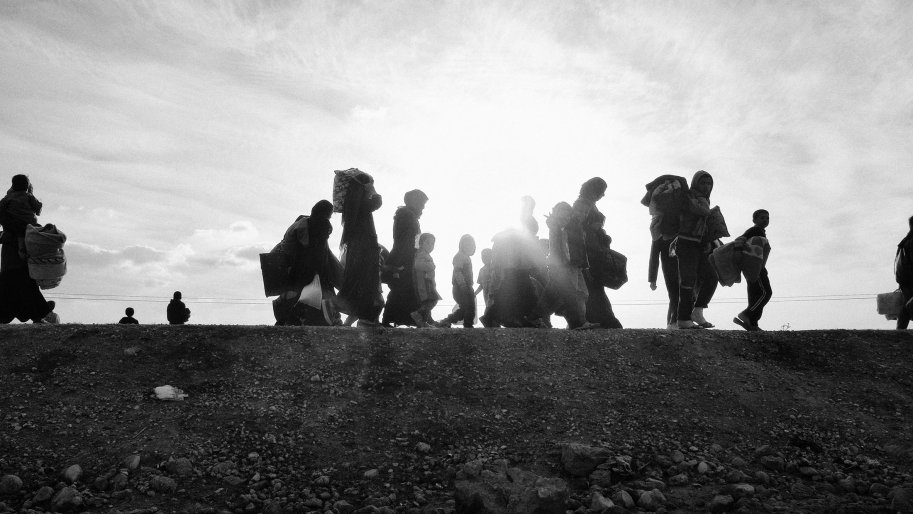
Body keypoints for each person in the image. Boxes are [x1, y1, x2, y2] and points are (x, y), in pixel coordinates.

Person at [269, 200, 342, 325]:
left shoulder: (299, 224)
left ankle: (286, 320)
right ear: (325, 213)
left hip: (296, 269)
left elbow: (289, 247)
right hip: (313, 269)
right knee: (320, 298)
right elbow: (319, 250)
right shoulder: (321, 223)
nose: (330, 217)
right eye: (330, 214)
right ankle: (331, 321)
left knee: (295, 296)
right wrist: (322, 272)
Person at [0, 175, 51, 324]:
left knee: (14, 282)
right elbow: (38, 209)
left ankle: (36, 316)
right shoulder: (27, 198)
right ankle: (36, 316)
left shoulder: (7, 202)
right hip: (19, 248)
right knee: (23, 282)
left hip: (12, 250)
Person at [572, 177, 622, 329]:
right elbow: (577, 228)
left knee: (593, 288)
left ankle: (599, 318)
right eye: (601, 192)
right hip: (589, 253)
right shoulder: (582, 204)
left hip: (593, 252)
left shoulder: (588, 204)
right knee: (592, 288)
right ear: (594, 190)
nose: (603, 195)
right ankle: (602, 319)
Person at [337, 171, 384, 326]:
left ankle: (355, 319)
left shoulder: (351, 206)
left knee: (358, 282)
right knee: (366, 283)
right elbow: (377, 202)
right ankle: (364, 319)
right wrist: (372, 190)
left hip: (358, 248)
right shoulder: (361, 205)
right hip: (365, 248)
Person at [674, 170, 718, 329]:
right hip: (686, 244)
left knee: (711, 277)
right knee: (688, 281)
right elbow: (701, 212)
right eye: (703, 183)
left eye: (709, 183)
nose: (706, 186)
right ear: (695, 183)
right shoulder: (688, 197)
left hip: (699, 246)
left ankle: (697, 312)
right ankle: (683, 319)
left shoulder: (703, 199)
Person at [536, 202, 587, 329]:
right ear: (556, 216)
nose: (565, 220)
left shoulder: (560, 229)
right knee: (570, 295)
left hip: (559, 267)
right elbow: (557, 251)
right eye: (561, 218)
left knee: (551, 296)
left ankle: (534, 317)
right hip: (558, 267)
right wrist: (562, 265)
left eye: (567, 218)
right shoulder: (555, 229)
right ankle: (577, 323)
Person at [383, 189, 428, 326]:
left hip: (407, 258)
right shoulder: (407, 216)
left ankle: (399, 319)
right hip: (405, 259)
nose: (423, 207)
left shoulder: (408, 215)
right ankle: (391, 320)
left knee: (403, 290)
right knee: (402, 289)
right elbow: (406, 241)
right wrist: (399, 262)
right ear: (414, 201)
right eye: (421, 203)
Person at [733, 209, 772, 331]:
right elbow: (739, 239)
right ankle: (747, 314)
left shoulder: (760, 231)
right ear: (754, 220)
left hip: (752, 266)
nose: (765, 220)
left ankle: (752, 324)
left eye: (767, 218)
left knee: (755, 295)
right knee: (766, 293)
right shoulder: (755, 230)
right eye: (762, 218)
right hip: (755, 267)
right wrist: (738, 252)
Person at [437, 234, 477, 328]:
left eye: (471, 245)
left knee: (465, 308)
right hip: (461, 287)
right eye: (467, 245)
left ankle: (448, 320)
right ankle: (468, 325)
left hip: (465, 286)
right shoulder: (460, 256)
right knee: (469, 307)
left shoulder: (465, 257)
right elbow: (457, 271)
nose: (470, 247)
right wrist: (463, 285)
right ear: (461, 245)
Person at [0, 174, 42, 260]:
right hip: (31, 223)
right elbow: (38, 210)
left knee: (20, 235)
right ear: (27, 186)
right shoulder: (29, 196)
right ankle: (22, 249)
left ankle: (21, 249)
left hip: (16, 225)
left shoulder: (8, 198)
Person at [410, 233, 441, 327]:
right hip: (423, 284)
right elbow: (417, 265)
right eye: (428, 243)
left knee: (428, 301)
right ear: (421, 243)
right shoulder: (421, 254)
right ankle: (418, 314)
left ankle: (423, 322)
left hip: (428, 283)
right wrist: (431, 266)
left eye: (432, 244)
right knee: (432, 300)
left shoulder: (424, 254)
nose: (430, 246)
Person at [894, 215, 913, 330]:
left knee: (907, 305)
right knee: (909, 305)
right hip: (910, 279)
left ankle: (900, 331)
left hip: (904, 279)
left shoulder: (905, 241)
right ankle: (900, 331)